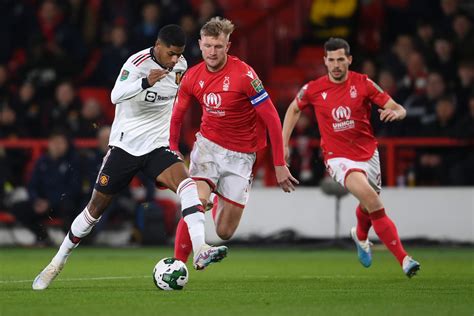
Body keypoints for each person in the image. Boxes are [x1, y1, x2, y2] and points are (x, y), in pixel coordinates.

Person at [32, 24, 227, 291]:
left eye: (178, 54)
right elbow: (115, 95)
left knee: (187, 185)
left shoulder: (180, 66)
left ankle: (201, 246)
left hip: (156, 147)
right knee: (93, 211)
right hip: (125, 149)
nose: (174, 60)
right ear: (158, 46)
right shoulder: (136, 63)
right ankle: (57, 261)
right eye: (170, 53)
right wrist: (147, 81)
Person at [282, 38, 420, 277]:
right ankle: (404, 260)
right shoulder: (314, 88)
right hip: (338, 158)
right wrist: (283, 143)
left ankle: (360, 235)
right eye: (331, 60)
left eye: (340, 60)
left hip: (368, 153)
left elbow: (398, 107)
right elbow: (294, 108)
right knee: (372, 199)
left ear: (349, 59)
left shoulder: (363, 83)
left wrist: (395, 113)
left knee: (369, 203)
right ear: (325, 61)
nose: (336, 65)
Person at [169, 17, 298, 264]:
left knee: (224, 232)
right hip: (207, 147)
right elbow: (176, 117)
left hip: (241, 155)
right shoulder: (192, 77)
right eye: (207, 46)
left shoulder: (245, 75)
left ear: (228, 46)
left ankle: (217, 199)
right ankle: (178, 265)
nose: (212, 52)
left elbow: (272, 118)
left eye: (218, 46)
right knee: (196, 200)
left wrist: (279, 163)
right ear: (200, 44)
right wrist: (173, 149)